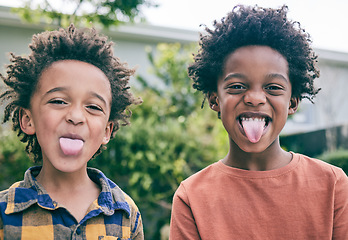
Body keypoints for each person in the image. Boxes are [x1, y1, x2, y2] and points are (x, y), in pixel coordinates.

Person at [170, 5, 348, 239]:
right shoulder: (191, 196)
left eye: (273, 87)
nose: (254, 98)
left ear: (292, 103)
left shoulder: (333, 185)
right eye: (236, 87)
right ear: (215, 100)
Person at [0, 25, 144, 239]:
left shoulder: (125, 214)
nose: (75, 116)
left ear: (107, 131)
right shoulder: (4, 213)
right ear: (28, 120)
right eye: (58, 101)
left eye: (93, 107)